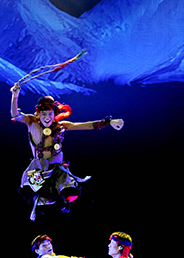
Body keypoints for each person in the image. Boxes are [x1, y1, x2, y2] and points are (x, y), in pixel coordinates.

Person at [11, 83, 124, 220]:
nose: (47, 117)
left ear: (55, 114)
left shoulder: (61, 126)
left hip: (57, 168)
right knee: (34, 194)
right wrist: (15, 96)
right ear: (38, 114)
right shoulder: (31, 122)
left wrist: (109, 122)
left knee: (70, 193)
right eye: (44, 114)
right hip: (39, 169)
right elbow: (15, 114)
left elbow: (86, 125)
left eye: (50, 114)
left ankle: (61, 203)